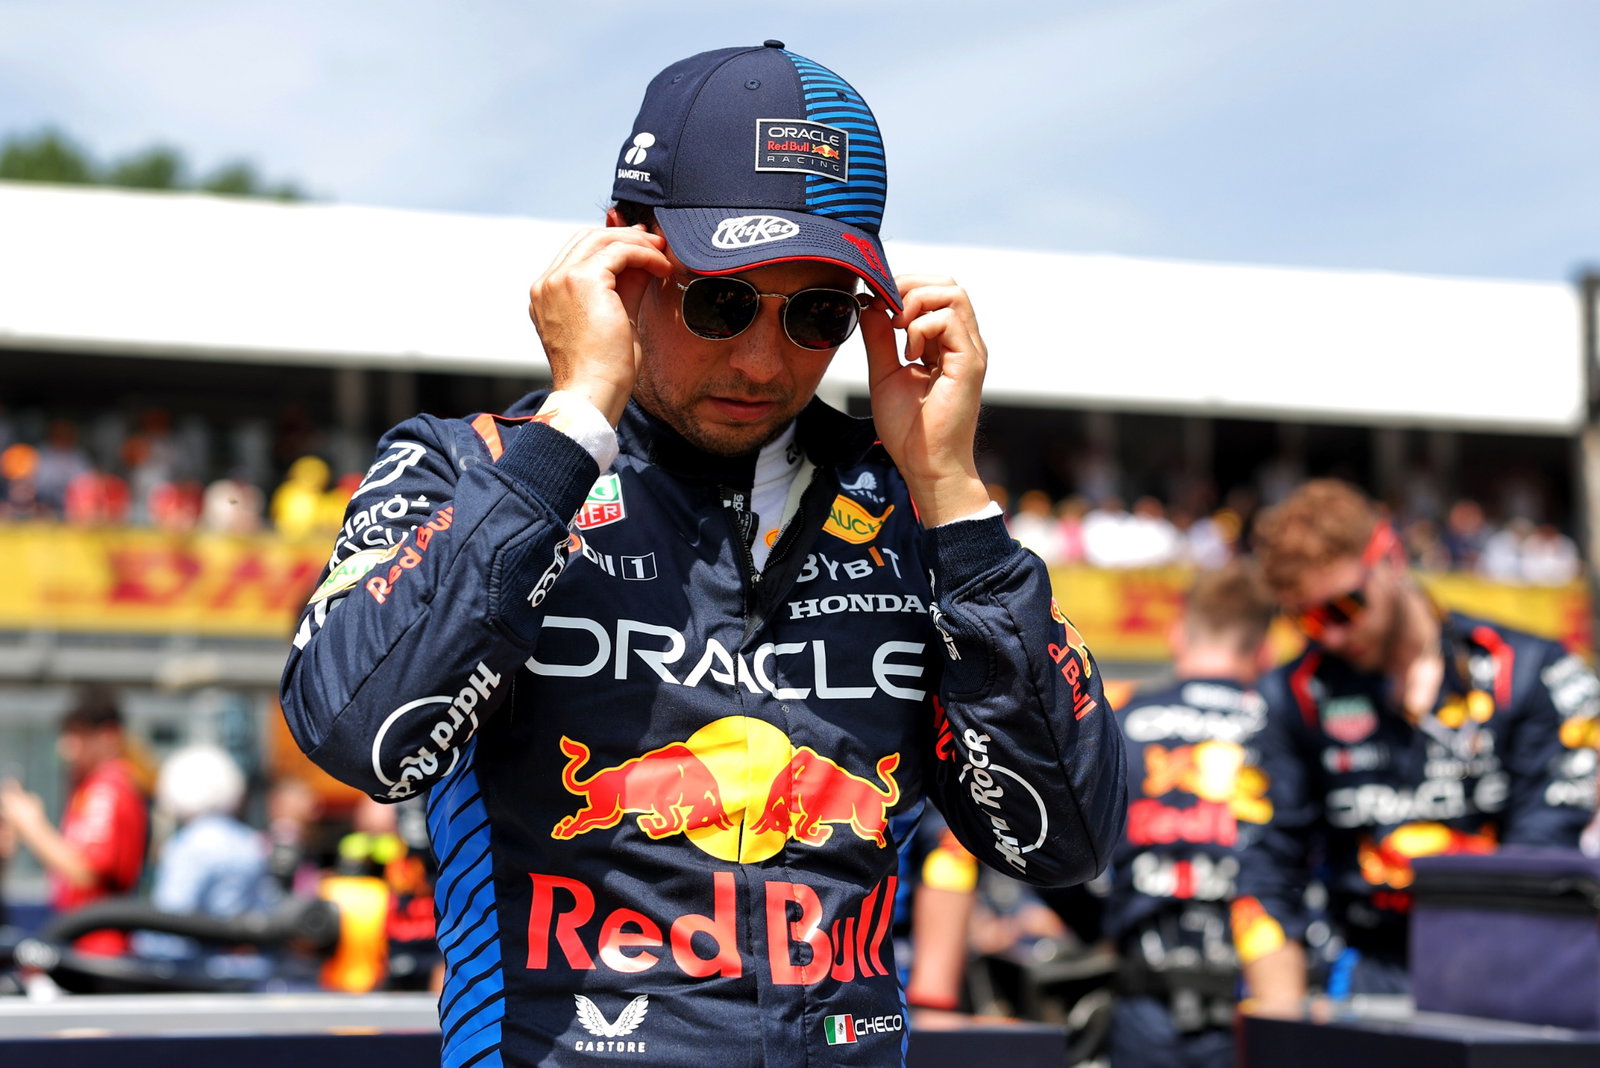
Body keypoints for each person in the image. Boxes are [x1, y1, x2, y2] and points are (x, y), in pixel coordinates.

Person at [280, 41, 1126, 1068]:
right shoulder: (469, 472)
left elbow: (1065, 842)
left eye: (815, 313)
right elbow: (357, 737)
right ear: (618, 258)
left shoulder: (913, 518)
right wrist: (571, 429)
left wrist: (952, 497)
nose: (763, 359)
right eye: (719, 301)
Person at [1232, 479, 1598, 1015]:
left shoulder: (1528, 673)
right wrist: (1278, 1022)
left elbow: (1541, 863)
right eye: (1305, 619)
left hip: (1512, 960)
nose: (1329, 634)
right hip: (1366, 973)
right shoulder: (1290, 697)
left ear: (1391, 556)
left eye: (1342, 607)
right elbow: (1266, 873)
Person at [1104, 559, 1275, 1067]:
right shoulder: (1279, 726)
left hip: (1142, 997)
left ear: (1177, 635)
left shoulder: (1120, 718)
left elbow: (1067, 853)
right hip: (1261, 996)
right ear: (1265, 651)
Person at [0, 684, 148, 955]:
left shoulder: (109, 788)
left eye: (78, 735)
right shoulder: (89, 788)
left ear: (108, 736)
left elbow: (85, 872)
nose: (67, 747)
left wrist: (31, 825)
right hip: (77, 940)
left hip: (97, 947)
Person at [133, 744, 280, 976]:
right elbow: (268, 908)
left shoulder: (187, 846)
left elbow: (168, 924)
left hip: (199, 977)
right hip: (249, 972)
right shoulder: (250, 842)